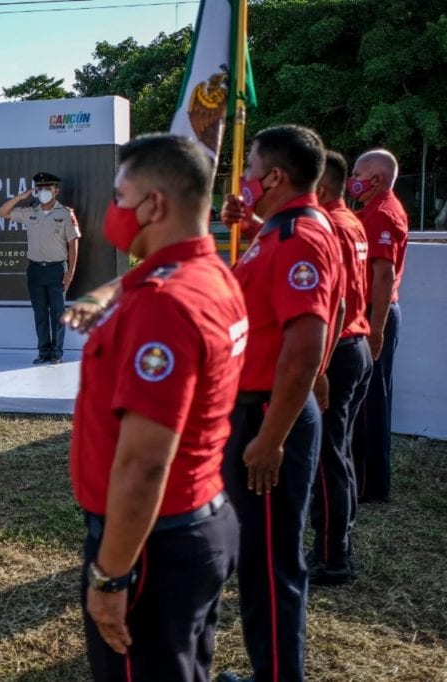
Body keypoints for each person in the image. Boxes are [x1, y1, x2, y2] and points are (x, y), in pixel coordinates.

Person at [62, 134, 244, 681]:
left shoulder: (162, 308)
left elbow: (144, 464)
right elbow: (149, 275)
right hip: (198, 521)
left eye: (119, 197)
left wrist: (111, 578)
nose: (112, 212)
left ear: (154, 206)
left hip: (152, 545)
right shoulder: (211, 275)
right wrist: (104, 294)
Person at [216, 125, 344, 682]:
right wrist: (239, 220)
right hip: (264, 407)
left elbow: (304, 344)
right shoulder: (278, 230)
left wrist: (270, 440)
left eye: (249, 168)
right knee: (259, 554)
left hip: (268, 415)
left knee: (269, 563)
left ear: (274, 177)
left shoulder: (300, 239)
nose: (242, 178)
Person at [308, 151, 373, 586]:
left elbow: (337, 303)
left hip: (338, 349)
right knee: (339, 451)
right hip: (356, 344)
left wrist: (318, 367)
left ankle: (334, 557)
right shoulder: (351, 220)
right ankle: (336, 541)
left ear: (321, 188)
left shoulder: (330, 225)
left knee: (328, 456)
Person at [348, 148, 408, 503]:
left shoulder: (383, 214)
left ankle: (370, 485)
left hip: (376, 311)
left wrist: (377, 328)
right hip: (374, 311)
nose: (352, 181)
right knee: (370, 397)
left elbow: (382, 276)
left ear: (377, 179)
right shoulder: (371, 211)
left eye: (357, 173)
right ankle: (366, 477)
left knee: (372, 401)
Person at [0, 171, 81, 364]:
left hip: (57, 269)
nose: (44, 192)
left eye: (48, 189)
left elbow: (73, 243)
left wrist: (71, 271)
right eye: (40, 189)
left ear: (56, 191)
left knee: (58, 313)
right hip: (35, 269)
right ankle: (43, 351)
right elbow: (1, 213)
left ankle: (56, 353)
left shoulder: (66, 213)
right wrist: (21, 197)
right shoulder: (30, 212)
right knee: (40, 313)